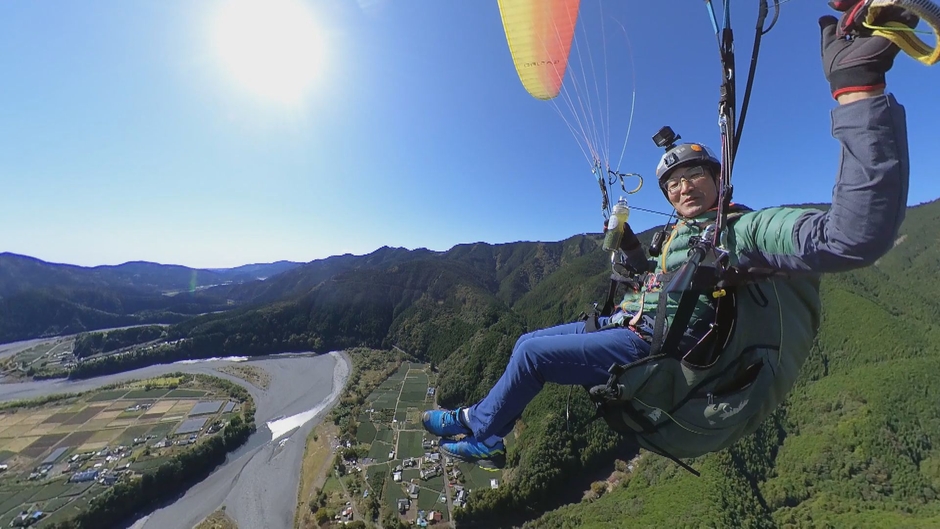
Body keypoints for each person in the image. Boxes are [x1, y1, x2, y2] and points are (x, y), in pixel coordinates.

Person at [421, 8, 914, 470]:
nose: (683, 187)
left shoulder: (741, 230)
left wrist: (858, 91)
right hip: (631, 321)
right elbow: (660, 279)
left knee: (534, 358)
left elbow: (853, 237)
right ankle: (475, 419)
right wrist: (630, 245)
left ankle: (486, 435)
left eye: (695, 174)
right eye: (673, 184)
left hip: (651, 348)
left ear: (718, 179)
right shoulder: (679, 232)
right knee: (526, 341)